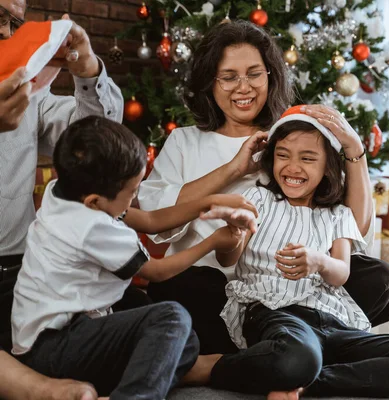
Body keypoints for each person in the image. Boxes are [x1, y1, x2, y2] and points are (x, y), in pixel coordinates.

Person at [138, 19, 389, 356]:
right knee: (182, 287)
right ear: (210, 83)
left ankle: (281, 350)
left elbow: (350, 227)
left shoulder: (292, 136)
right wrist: (234, 169)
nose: (243, 87)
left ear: (270, 76)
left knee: (379, 278)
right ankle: (298, 347)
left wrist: (355, 152)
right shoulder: (185, 140)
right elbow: (157, 217)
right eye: (229, 77)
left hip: (295, 286)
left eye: (254, 74)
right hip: (216, 284)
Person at [206, 108, 389, 399]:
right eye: (283, 155)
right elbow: (227, 260)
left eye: (308, 158)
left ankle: (309, 381)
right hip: (277, 315)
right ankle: (213, 368)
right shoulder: (258, 199)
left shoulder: (337, 214)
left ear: (327, 167)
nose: (293, 167)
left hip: (334, 323)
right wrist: (234, 235)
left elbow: (341, 274)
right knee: (295, 354)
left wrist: (319, 261)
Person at [10, 116, 258, 399]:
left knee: (183, 341)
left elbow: (151, 220)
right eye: (132, 192)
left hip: (45, 335)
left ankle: (118, 383)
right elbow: (158, 271)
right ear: (95, 201)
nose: (136, 197)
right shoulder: (93, 227)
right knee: (172, 317)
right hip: (54, 348)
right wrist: (213, 241)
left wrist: (211, 202)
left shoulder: (66, 191)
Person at [0, 1, 122, 397]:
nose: (6, 33)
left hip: (18, 274)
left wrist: (88, 74)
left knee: (127, 316)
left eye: (14, 22)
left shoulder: (29, 91)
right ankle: (39, 389)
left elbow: (95, 142)